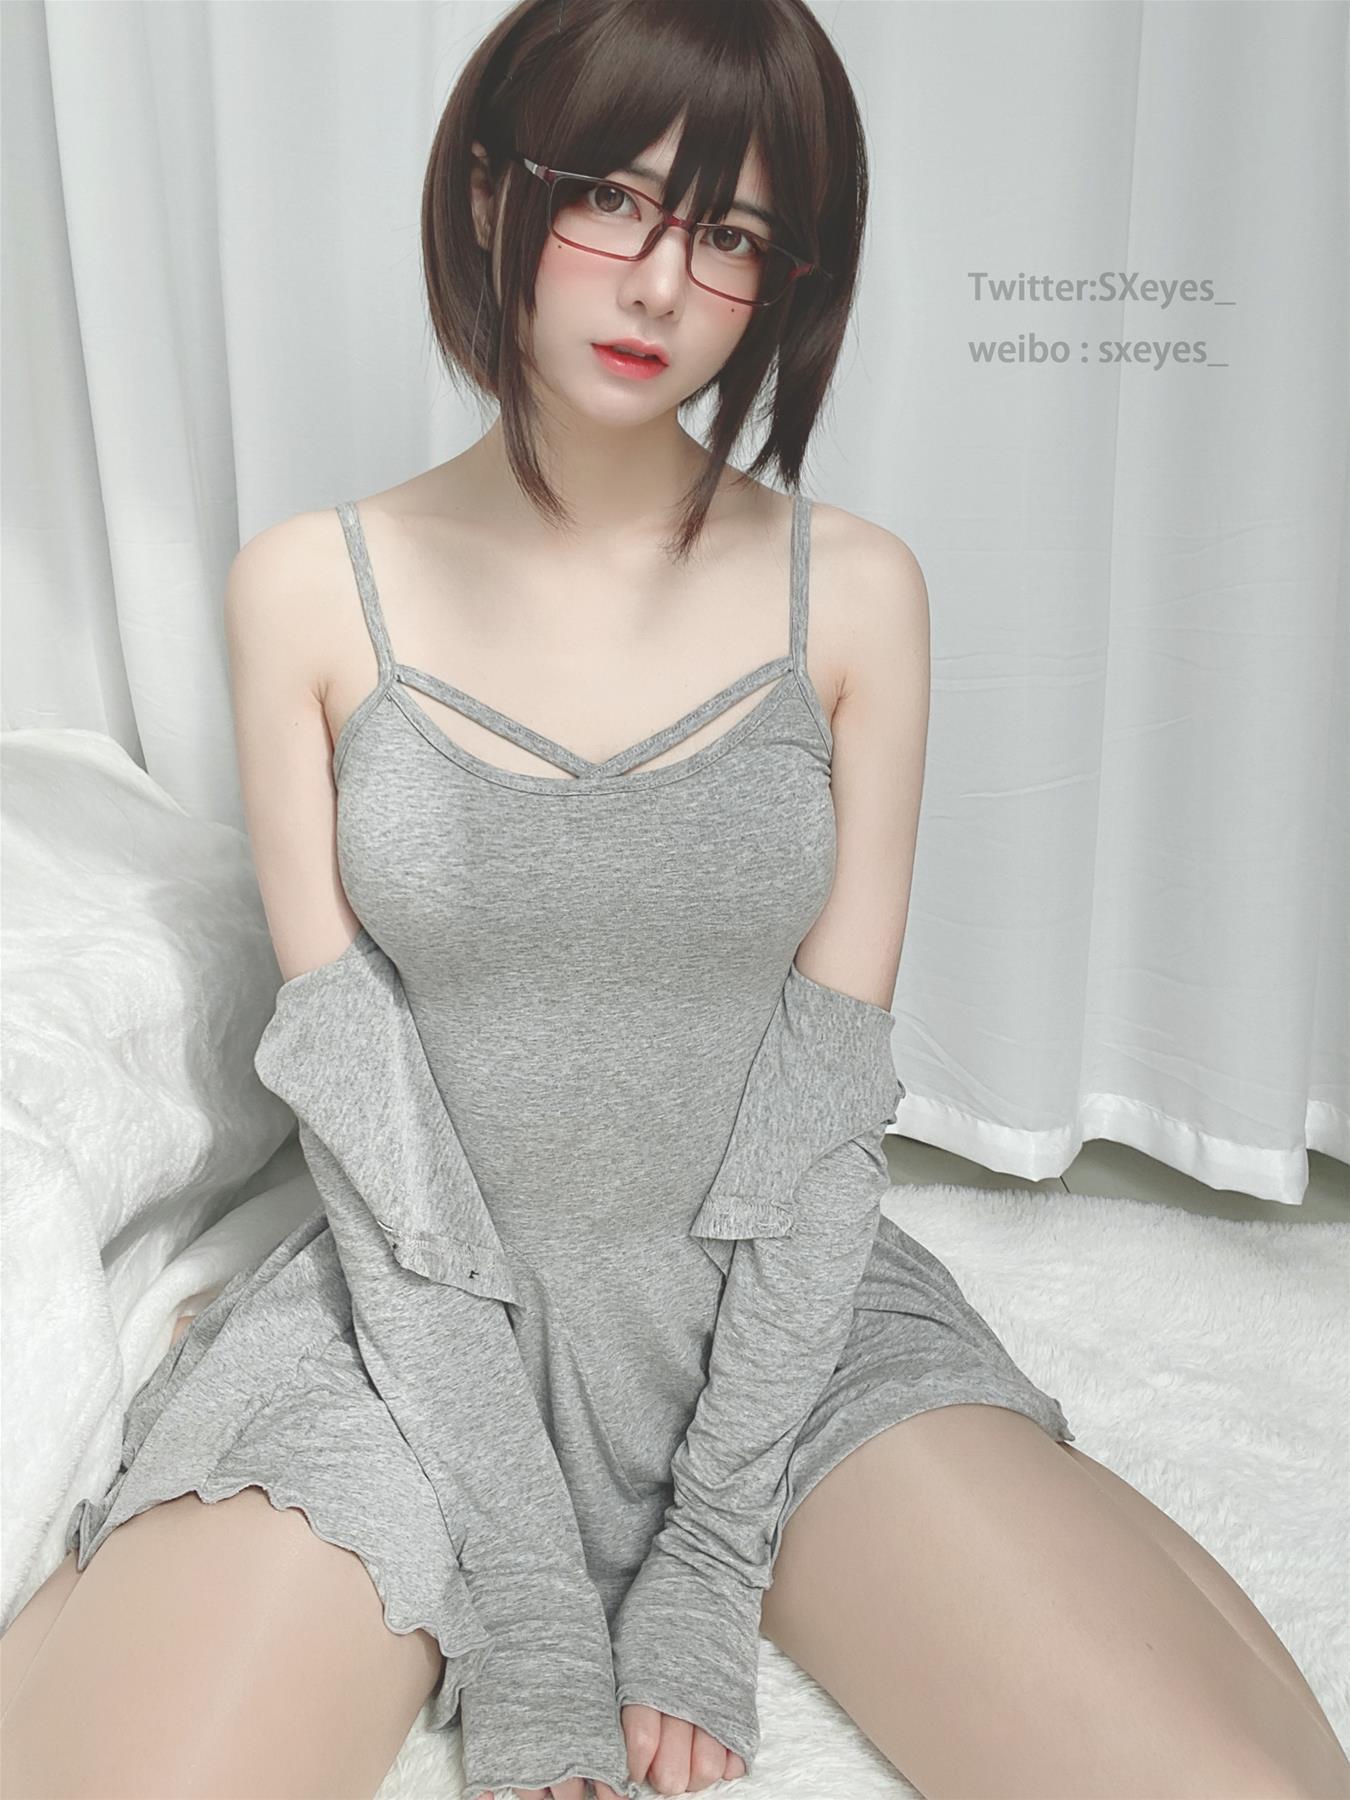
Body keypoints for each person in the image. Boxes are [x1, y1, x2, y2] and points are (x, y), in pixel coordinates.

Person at [3, 2, 1347, 1797]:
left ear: (782, 281)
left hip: (780, 1322)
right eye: (613, 200)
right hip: (409, 1325)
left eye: (730, 234)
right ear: (491, 191)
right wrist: (526, 1582)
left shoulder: (855, 594)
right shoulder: (308, 590)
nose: (659, 284)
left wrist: (711, 1545)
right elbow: (363, 1108)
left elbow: (821, 1101)